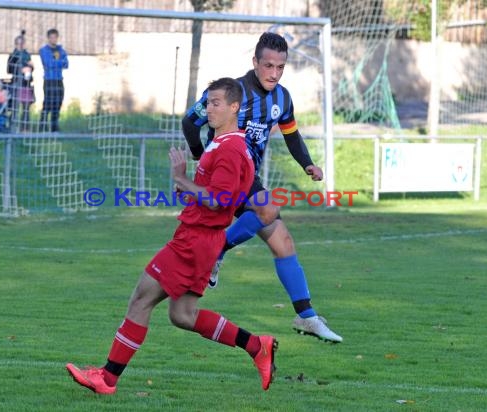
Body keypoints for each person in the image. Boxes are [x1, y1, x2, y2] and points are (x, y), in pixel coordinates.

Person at [66, 78, 277, 395]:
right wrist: (189, 189)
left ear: (235, 107)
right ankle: (256, 345)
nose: (209, 109)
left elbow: (220, 200)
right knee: (182, 315)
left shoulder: (232, 148)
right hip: (201, 239)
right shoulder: (224, 144)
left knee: (141, 299)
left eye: (216, 103)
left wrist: (182, 179)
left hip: (195, 241)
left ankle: (107, 379)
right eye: (207, 103)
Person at [182, 32, 343, 343]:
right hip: (226, 173)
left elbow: (291, 135)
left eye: (280, 67)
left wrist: (306, 163)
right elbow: (191, 123)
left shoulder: (282, 98)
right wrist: (203, 158)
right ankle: (218, 249)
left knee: (283, 241)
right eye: (268, 65)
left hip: (246, 176)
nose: (274, 72)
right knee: (268, 208)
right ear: (254, 62)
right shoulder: (231, 92)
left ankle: (306, 316)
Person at [39, 28, 68, 132]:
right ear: (48, 38)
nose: (53, 39)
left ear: (57, 38)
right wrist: (58, 61)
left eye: (55, 37)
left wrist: (56, 61)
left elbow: (66, 64)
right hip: (49, 80)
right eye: (51, 37)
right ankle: (42, 126)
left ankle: (54, 127)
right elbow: (48, 64)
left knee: (58, 103)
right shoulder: (43, 50)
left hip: (59, 79)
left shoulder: (61, 50)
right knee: (48, 103)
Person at [7, 30, 34, 132]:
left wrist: (30, 67)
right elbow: (9, 69)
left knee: (26, 108)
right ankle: (13, 127)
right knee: (15, 108)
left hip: (26, 84)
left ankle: (25, 128)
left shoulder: (27, 55)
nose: (20, 45)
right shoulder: (13, 55)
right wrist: (19, 68)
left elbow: (32, 66)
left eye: (22, 43)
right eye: (18, 44)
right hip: (16, 84)